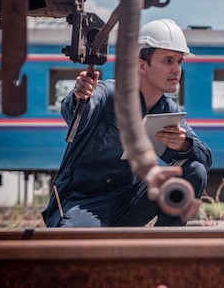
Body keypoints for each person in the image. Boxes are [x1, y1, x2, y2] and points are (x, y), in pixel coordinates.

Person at [42, 19, 212, 227]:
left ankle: (164, 250)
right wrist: (80, 95)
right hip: (81, 203)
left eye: (179, 61)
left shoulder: (167, 108)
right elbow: (75, 111)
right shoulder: (108, 93)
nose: (177, 69)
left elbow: (205, 157)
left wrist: (183, 145)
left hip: (126, 202)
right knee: (85, 250)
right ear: (142, 65)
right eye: (168, 60)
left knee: (195, 169)